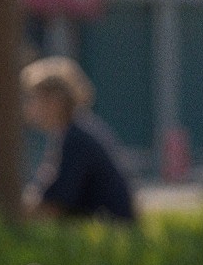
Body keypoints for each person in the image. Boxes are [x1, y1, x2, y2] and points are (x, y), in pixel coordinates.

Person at [20, 56, 137, 224]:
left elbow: (52, 206)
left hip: (110, 232)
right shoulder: (74, 131)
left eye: (33, 99)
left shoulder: (75, 140)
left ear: (55, 101)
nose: (28, 107)